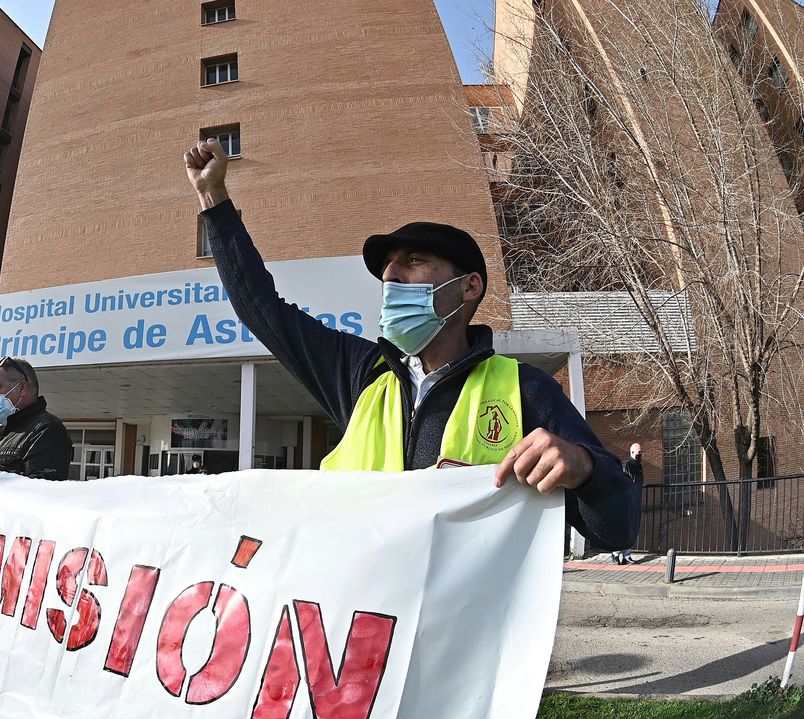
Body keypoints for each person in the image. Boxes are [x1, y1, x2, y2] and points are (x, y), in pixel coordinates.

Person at [182, 138, 639, 549]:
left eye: (414, 261)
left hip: (465, 637)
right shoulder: (362, 374)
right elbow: (261, 308)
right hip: (362, 631)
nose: (390, 276)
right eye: (387, 269)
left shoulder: (527, 390)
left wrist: (583, 468)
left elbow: (617, 529)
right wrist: (214, 200)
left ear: (469, 287)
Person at [612, 443, 644, 564]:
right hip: (628, 499)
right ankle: (616, 553)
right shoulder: (628, 465)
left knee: (630, 528)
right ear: (632, 453)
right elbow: (627, 482)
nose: (640, 455)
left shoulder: (637, 465)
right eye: (638, 453)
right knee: (624, 528)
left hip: (634, 498)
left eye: (641, 453)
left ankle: (626, 554)